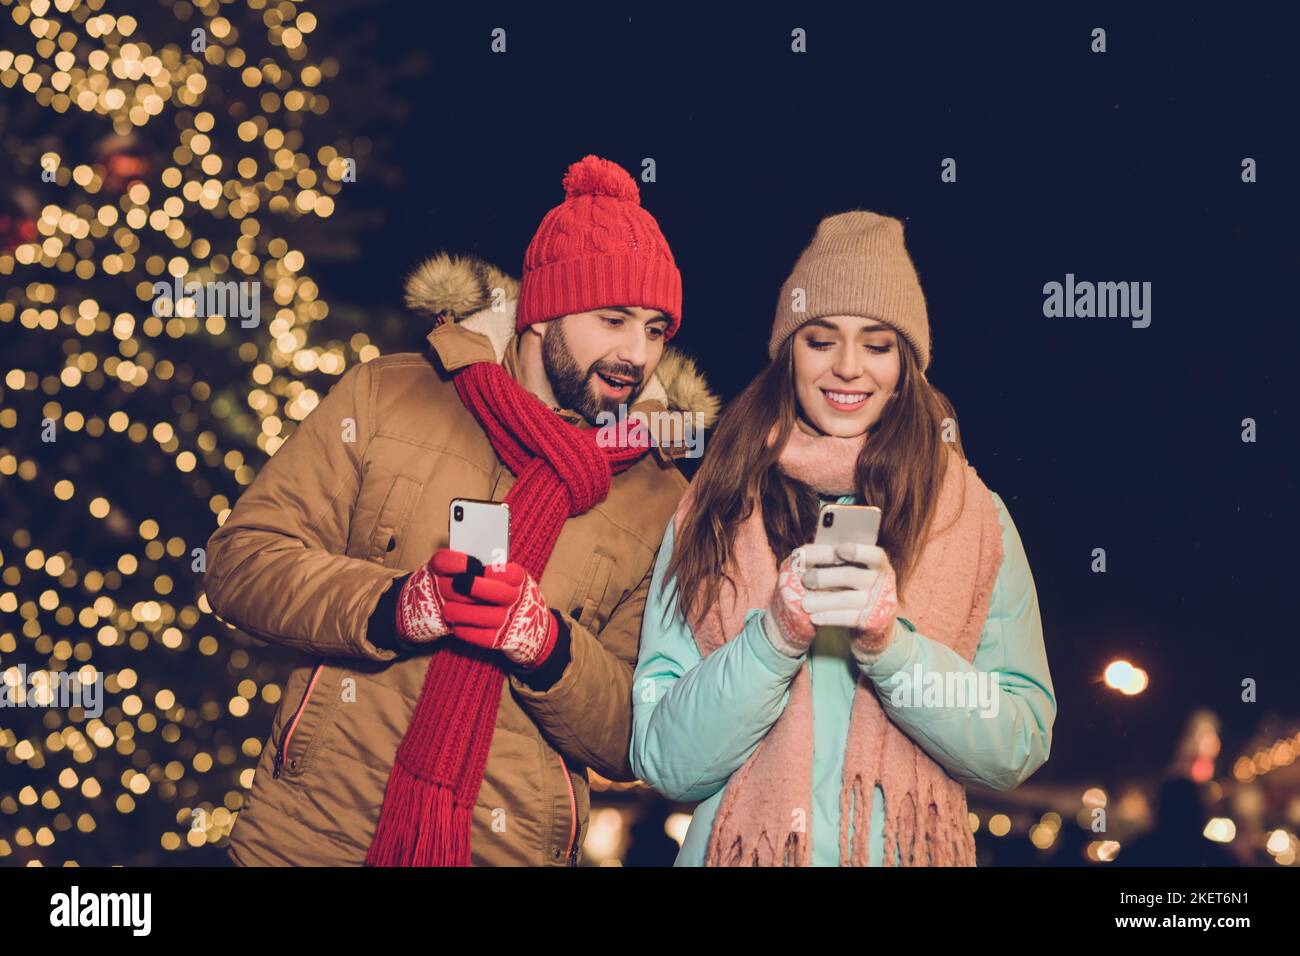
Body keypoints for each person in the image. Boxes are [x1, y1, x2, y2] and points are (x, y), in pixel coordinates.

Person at [205, 155, 718, 866]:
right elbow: (240, 562)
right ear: (542, 314)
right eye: (613, 319)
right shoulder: (388, 396)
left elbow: (635, 733)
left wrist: (547, 646)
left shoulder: (664, 498)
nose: (638, 353)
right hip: (308, 841)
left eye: (657, 329)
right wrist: (393, 604)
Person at [630, 211, 1056, 866]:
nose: (849, 368)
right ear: (788, 353)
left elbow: (1015, 747)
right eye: (821, 340)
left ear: (906, 362)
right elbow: (666, 761)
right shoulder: (711, 508)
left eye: (878, 344)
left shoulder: (974, 516)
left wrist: (893, 650)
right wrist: (774, 638)